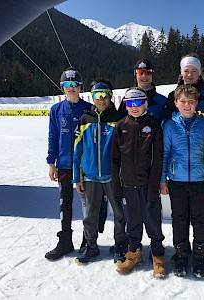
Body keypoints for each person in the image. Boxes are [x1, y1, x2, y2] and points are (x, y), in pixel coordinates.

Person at [160, 85, 204, 278]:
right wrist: (162, 180)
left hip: (200, 180)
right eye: (182, 101)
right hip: (176, 180)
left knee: (199, 220)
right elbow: (165, 154)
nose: (187, 105)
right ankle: (181, 254)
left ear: (196, 104)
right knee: (179, 219)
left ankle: (199, 256)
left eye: (191, 102)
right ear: (176, 103)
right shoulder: (169, 126)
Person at [112, 87, 166, 278]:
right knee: (133, 222)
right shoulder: (121, 126)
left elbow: (158, 158)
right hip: (127, 184)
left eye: (138, 103)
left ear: (145, 104)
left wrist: (154, 185)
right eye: (130, 104)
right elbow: (114, 159)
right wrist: (117, 186)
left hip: (147, 184)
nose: (134, 107)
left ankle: (157, 256)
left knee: (153, 222)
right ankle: (134, 254)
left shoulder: (153, 125)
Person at [72, 80, 127, 265]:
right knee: (90, 214)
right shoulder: (85, 119)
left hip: (112, 176)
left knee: (119, 213)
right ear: (92, 97)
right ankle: (90, 245)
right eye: (97, 95)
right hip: (90, 176)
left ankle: (120, 244)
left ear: (111, 96)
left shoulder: (119, 118)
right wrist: (77, 177)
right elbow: (77, 150)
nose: (101, 99)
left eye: (105, 95)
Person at [45, 67, 92, 261]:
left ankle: (87, 241)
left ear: (80, 87)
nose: (71, 88)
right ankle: (65, 241)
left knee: (86, 203)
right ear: (62, 87)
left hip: (84, 165)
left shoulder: (88, 109)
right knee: (65, 203)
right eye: (67, 85)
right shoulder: (56, 110)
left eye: (75, 85)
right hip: (64, 164)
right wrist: (51, 162)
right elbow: (53, 136)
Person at [162, 53, 204, 120]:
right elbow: (165, 120)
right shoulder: (173, 96)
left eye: (194, 71)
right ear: (182, 72)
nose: (190, 75)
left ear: (199, 72)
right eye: (186, 71)